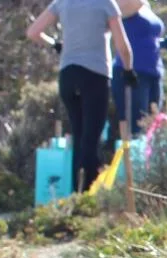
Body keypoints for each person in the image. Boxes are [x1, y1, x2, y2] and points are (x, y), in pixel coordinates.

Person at [27, 0, 133, 194]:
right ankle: (87, 196)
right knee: (91, 138)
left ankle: (77, 192)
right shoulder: (106, 3)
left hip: (67, 75)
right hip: (95, 74)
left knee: (79, 135)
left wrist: (55, 44)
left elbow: (33, 32)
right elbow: (122, 45)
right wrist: (128, 70)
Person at [107, 0, 164, 153]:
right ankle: (131, 172)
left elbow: (146, 38)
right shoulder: (122, 5)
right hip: (132, 72)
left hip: (154, 74)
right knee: (137, 128)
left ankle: (149, 170)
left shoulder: (146, 6)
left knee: (154, 127)